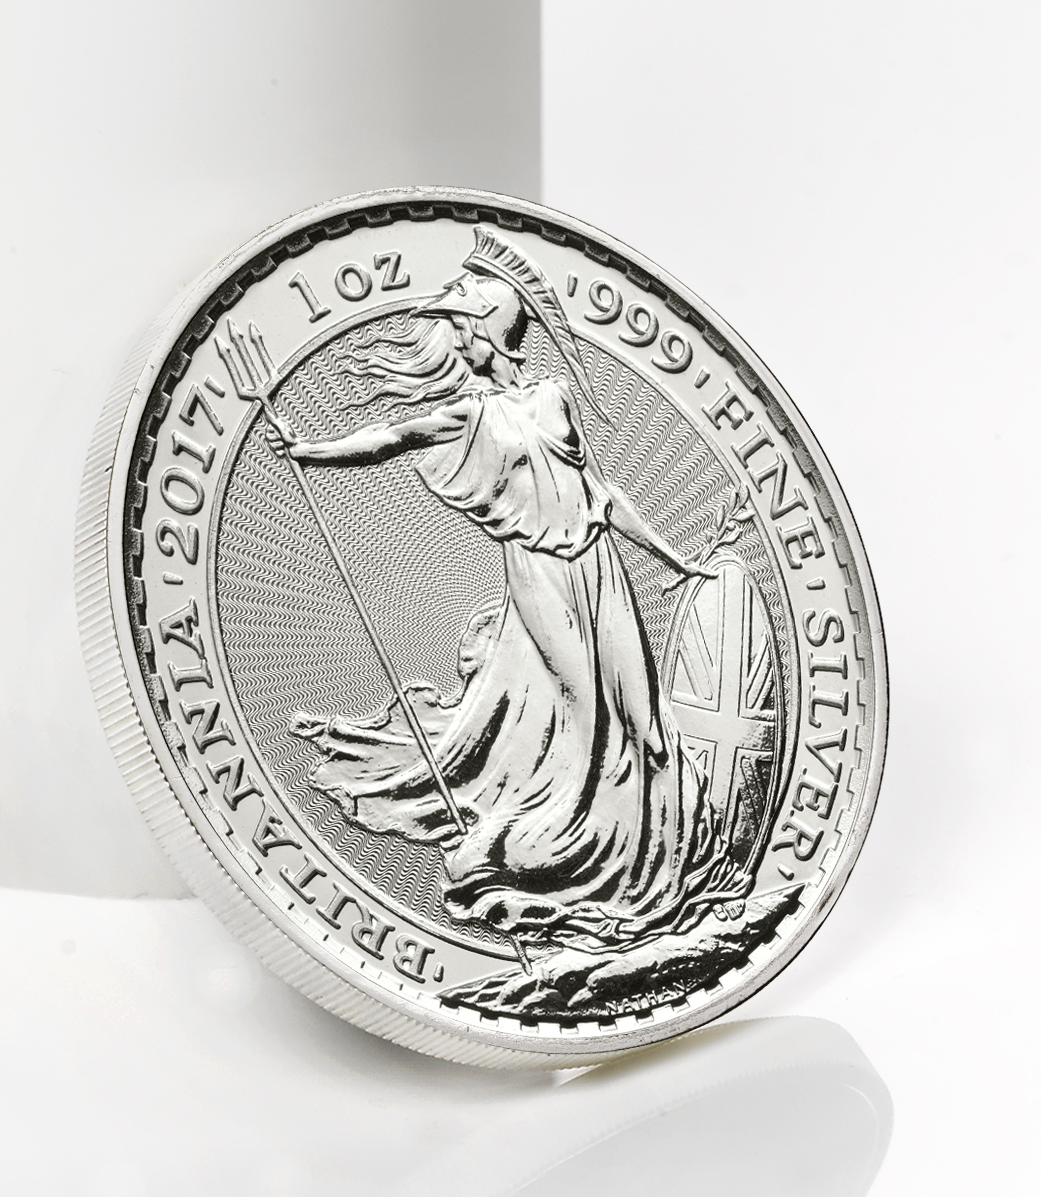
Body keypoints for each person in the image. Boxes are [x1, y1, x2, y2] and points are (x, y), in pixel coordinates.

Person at [278, 237, 730, 949]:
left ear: (489, 331)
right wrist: (309, 451)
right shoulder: (467, 414)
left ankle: (653, 865)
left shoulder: (553, 397)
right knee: (585, 711)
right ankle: (574, 859)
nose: (457, 340)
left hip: (599, 567)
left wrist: (674, 560)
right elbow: (391, 437)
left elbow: (602, 493)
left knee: (640, 718)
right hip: (540, 574)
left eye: (465, 325)